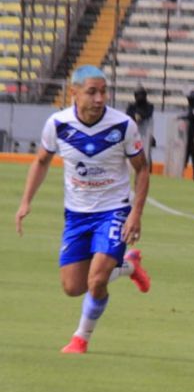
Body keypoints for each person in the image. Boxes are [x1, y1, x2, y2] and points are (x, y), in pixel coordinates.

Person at [14, 65, 151, 354]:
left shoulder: (123, 125)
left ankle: (80, 338)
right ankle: (128, 266)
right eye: (92, 92)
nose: (100, 98)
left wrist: (136, 213)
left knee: (97, 280)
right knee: (73, 287)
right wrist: (26, 201)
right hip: (76, 214)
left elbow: (142, 170)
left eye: (103, 91)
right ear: (74, 93)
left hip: (114, 209)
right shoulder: (58, 124)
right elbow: (41, 161)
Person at [125, 86, 154, 169]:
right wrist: (135, 115)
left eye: (141, 95)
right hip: (133, 134)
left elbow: (147, 114)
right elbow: (128, 115)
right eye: (138, 95)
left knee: (146, 153)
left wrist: (140, 115)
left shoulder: (149, 106)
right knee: (132, 151)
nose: (140, 97)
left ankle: (148, 170)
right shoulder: (131, 106)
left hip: (145, 134)